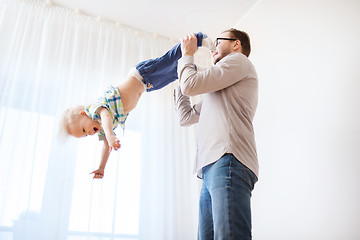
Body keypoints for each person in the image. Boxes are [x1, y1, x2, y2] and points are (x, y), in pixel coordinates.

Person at [59, 32, 215, 179]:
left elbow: (106, 115)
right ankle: (202, 70)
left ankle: (199, 39)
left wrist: (110, 135)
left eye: (84, 130)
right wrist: (101, 167)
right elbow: (106, 147)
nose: (89, 134)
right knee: (176, 73)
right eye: (86, 135)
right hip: (148, 85)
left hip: (142, 73)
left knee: (169, 59)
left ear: (83, 114)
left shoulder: (94, 109)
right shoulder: (104, 129)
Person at [174, 28, 259, 239]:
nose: (213, 47)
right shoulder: (221, 90)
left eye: (218, 40)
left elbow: (191, 84)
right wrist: (178, 75)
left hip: (228, 159)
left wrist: (187, 56)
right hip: (212, 166)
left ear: (236, 44)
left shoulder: (239, 61)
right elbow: (186, 116)